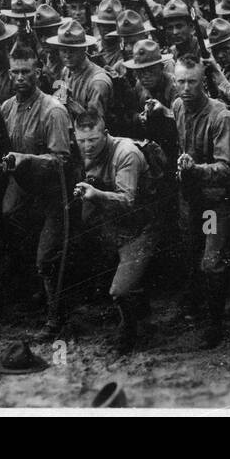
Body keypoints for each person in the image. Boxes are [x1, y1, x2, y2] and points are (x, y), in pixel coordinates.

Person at [0, 41, 74, 338]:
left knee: (47, 258)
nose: (20, 78)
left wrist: (26, 160)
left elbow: (62, 161)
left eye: (26, 72)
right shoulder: (7, 108)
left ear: (38, 72)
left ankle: (57, 318)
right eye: (15, 72)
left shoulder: (52, 111)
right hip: (24, 194)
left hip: (55, 195)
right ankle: (39, 297)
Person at [72, 109, 157, 353]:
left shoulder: (126, 153)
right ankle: (137, 304)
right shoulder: (85, 151)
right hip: (112, 226)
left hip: (141, 228)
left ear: (105, 134)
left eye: (92, 140)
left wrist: (96, 194)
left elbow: (128, 199)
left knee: (119, 291)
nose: (87, 147)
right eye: (81, 141)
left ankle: (129, 330)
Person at [168, 56, 230, 347]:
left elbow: (226, 169)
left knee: (210, 262)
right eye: (181, 81)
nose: (185, 87)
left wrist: (195, 169)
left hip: (215, 201)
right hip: (191, 196)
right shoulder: (177, 107)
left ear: (204, 82)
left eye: (192, 81)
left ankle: (215, 322)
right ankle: (195, 306)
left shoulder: (221, 116)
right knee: (190, 252)